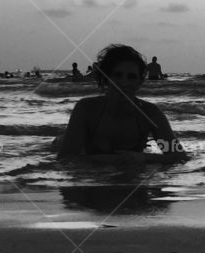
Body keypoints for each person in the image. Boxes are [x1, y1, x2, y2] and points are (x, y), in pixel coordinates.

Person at [57, 44, 188, 164]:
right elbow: (65, 159)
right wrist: (115, 161)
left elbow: (179, 156)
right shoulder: (86, 109)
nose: (124, 83)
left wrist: (143, 158)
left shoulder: (150, 114)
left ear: (140, 82)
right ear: (107, 78)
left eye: (131, 77)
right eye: (117, 75)